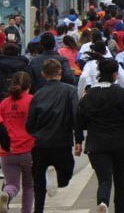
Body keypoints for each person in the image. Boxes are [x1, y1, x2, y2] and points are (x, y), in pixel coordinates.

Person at [76, 59, 124, 213]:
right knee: (120, 180)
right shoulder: (121, 94)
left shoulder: (89, 96)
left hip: (96, 144)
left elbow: (79, 120)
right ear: (115, 74)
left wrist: (78, 140)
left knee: (104, 179)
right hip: (121, 143)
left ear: (99, 74)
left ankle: (103, 202)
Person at [25, 59, 80, 213]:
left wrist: (33, 132)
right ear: (60, 72)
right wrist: (78, 136)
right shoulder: (70, 91)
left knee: (38, 181)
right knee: (67, 173)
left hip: (41, 142)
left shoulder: (38, 94)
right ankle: (58, 179)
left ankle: (38, 210)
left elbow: (30, 122)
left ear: (43, 74)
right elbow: (76, 114)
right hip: (63, 140)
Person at [0, 72, 34, 213]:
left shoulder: (3, 103)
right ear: (29, 86)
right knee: (28, 186)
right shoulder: (33, 100)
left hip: (7, 151)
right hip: (29, 149)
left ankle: (6, 194)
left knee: (12, 184)